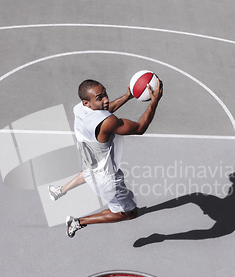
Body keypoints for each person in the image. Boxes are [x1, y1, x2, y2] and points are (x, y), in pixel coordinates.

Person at [48, 77, 163, 237]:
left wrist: (127, 96)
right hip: (108, 180)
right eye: (100, 97)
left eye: (105, 93)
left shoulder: (79, 109)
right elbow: (139, 128)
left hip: (89, 160)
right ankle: (77, 222)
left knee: (88, 173)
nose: (106, 99)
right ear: (86, 102)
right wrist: (154, 101)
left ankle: (60, 191)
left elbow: (105, 111)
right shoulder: (107, 123)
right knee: (129, 213)